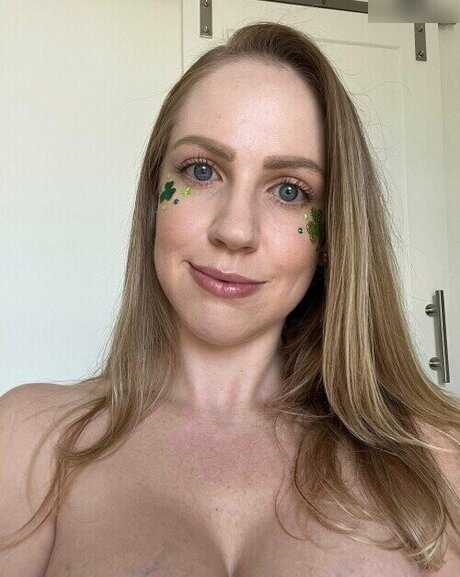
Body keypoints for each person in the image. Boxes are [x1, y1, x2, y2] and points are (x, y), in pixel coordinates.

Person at [1, 21, 459, 577]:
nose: (235, 231)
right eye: (202, 171)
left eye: (289, 191)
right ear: (153, 199)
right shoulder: (29, 440)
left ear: (332, 236)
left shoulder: (438, 460)